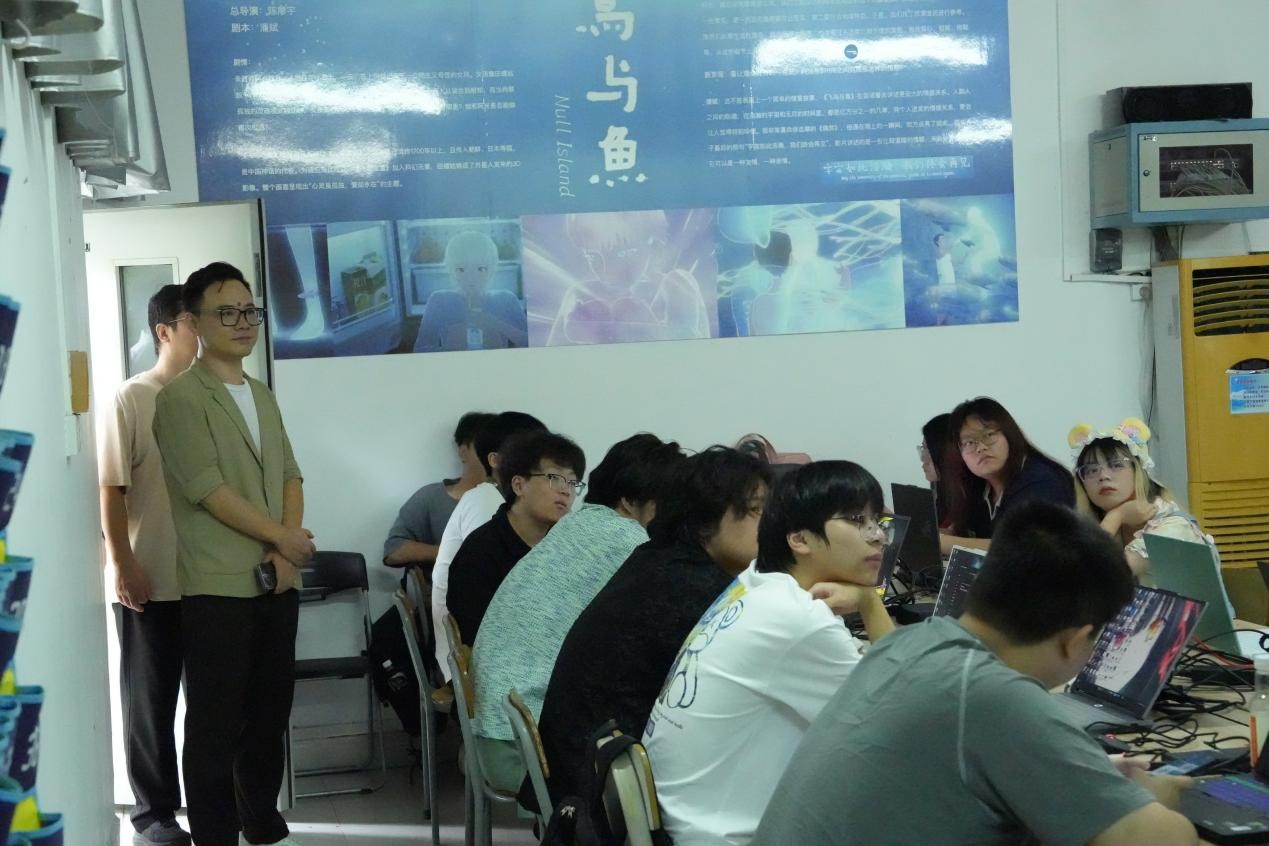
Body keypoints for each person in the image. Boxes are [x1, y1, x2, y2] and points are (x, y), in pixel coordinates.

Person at [753, 499, 1199, 846]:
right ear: (1075, 638)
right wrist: (1151, 796)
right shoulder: (996, 696)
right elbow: (1161, 839)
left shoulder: (910, 644)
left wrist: (1082, 778)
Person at [644, 461, 896, 846]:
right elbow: (902, 717)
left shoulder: (753, 582)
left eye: (878, 521)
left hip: (679, 818)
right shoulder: (796, 616)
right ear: (799, 539)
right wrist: (870, 603)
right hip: (725, 836)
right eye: (856, 519)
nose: (878, 536)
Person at [153, 262, 315, 846]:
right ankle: (215, 834)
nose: (243, 322)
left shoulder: (262, 394)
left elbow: (291, 474)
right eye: (227, 312)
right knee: (215, 724)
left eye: (250, 311)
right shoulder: (180, 398)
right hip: (218, 585)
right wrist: (284, 538)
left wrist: (287, 549)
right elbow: (208, 489)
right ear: (194, 322)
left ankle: (261, 822)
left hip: (279, 579)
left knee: (269, 715)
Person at [536, 446, 772, 805]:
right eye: (756, 510)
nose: (769, 525)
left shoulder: (658, 560)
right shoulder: (695, 587)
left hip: (583, 767)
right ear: (705, 519)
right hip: (606, 792)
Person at [470, 434, 686, 802]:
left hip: (500, 727)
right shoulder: (628, 540)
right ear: (630, 499)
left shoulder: (578, 524)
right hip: (523, 749)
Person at [98, 285, 199, 846]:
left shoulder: (213, 397)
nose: (205, 331)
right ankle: (153, 815)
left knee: (211, 707)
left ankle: (212, 807)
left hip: (209, 582)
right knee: (150, 707)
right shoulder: (133, 398)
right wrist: (123, 563)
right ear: (164, 331)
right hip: (149, 580)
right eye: (194, 321)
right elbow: (111, 489)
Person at [431, 410, 546, 680]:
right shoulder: (487, 501)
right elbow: (498, 589)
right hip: (473, 659)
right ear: (495, 460)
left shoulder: (500, 502)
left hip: (486, 645)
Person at [446, 430, 586, 647]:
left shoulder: (564, 546)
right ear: (519, 485)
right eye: (554, 478)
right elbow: (477, 636)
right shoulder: (481, 550)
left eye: (573, 482)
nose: (566, 491)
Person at [1069, 418, 1215, 579]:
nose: (1103, 476)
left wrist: (1116, 515)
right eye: (1091, 470)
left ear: (1138, 471)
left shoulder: (1172, 526)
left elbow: (1102, 573)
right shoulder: (1099, 522)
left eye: (1116, 465)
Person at [940, 396, 1073, 553]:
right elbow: (963, 533)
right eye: (969, 442)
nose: (980, 448)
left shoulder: (1042, 481)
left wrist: (944, 543)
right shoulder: (980, 486)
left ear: (1009, 434)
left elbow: (1023, 547)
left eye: (988, 435)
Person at [382, 411, 494, 575]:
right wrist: (453, 552)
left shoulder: (514, 496)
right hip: (447, 588)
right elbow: (393, 551)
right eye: (486, 446)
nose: (494, 455)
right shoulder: (431, 497)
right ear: (463, 451)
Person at [413, 230, 528, 352]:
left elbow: (531, 343)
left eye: (481, 269)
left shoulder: (506, 300)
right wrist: (448, 349)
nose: (471, 277)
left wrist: (496, 324)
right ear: (450, 270)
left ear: (493, 269)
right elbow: (420, 349)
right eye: (461, 269)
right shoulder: (439, 301)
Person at [919, 412, 953, 526]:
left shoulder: (972, 498)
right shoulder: (939, 488)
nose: (923, 458)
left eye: (927, 449)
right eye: (923, 448)